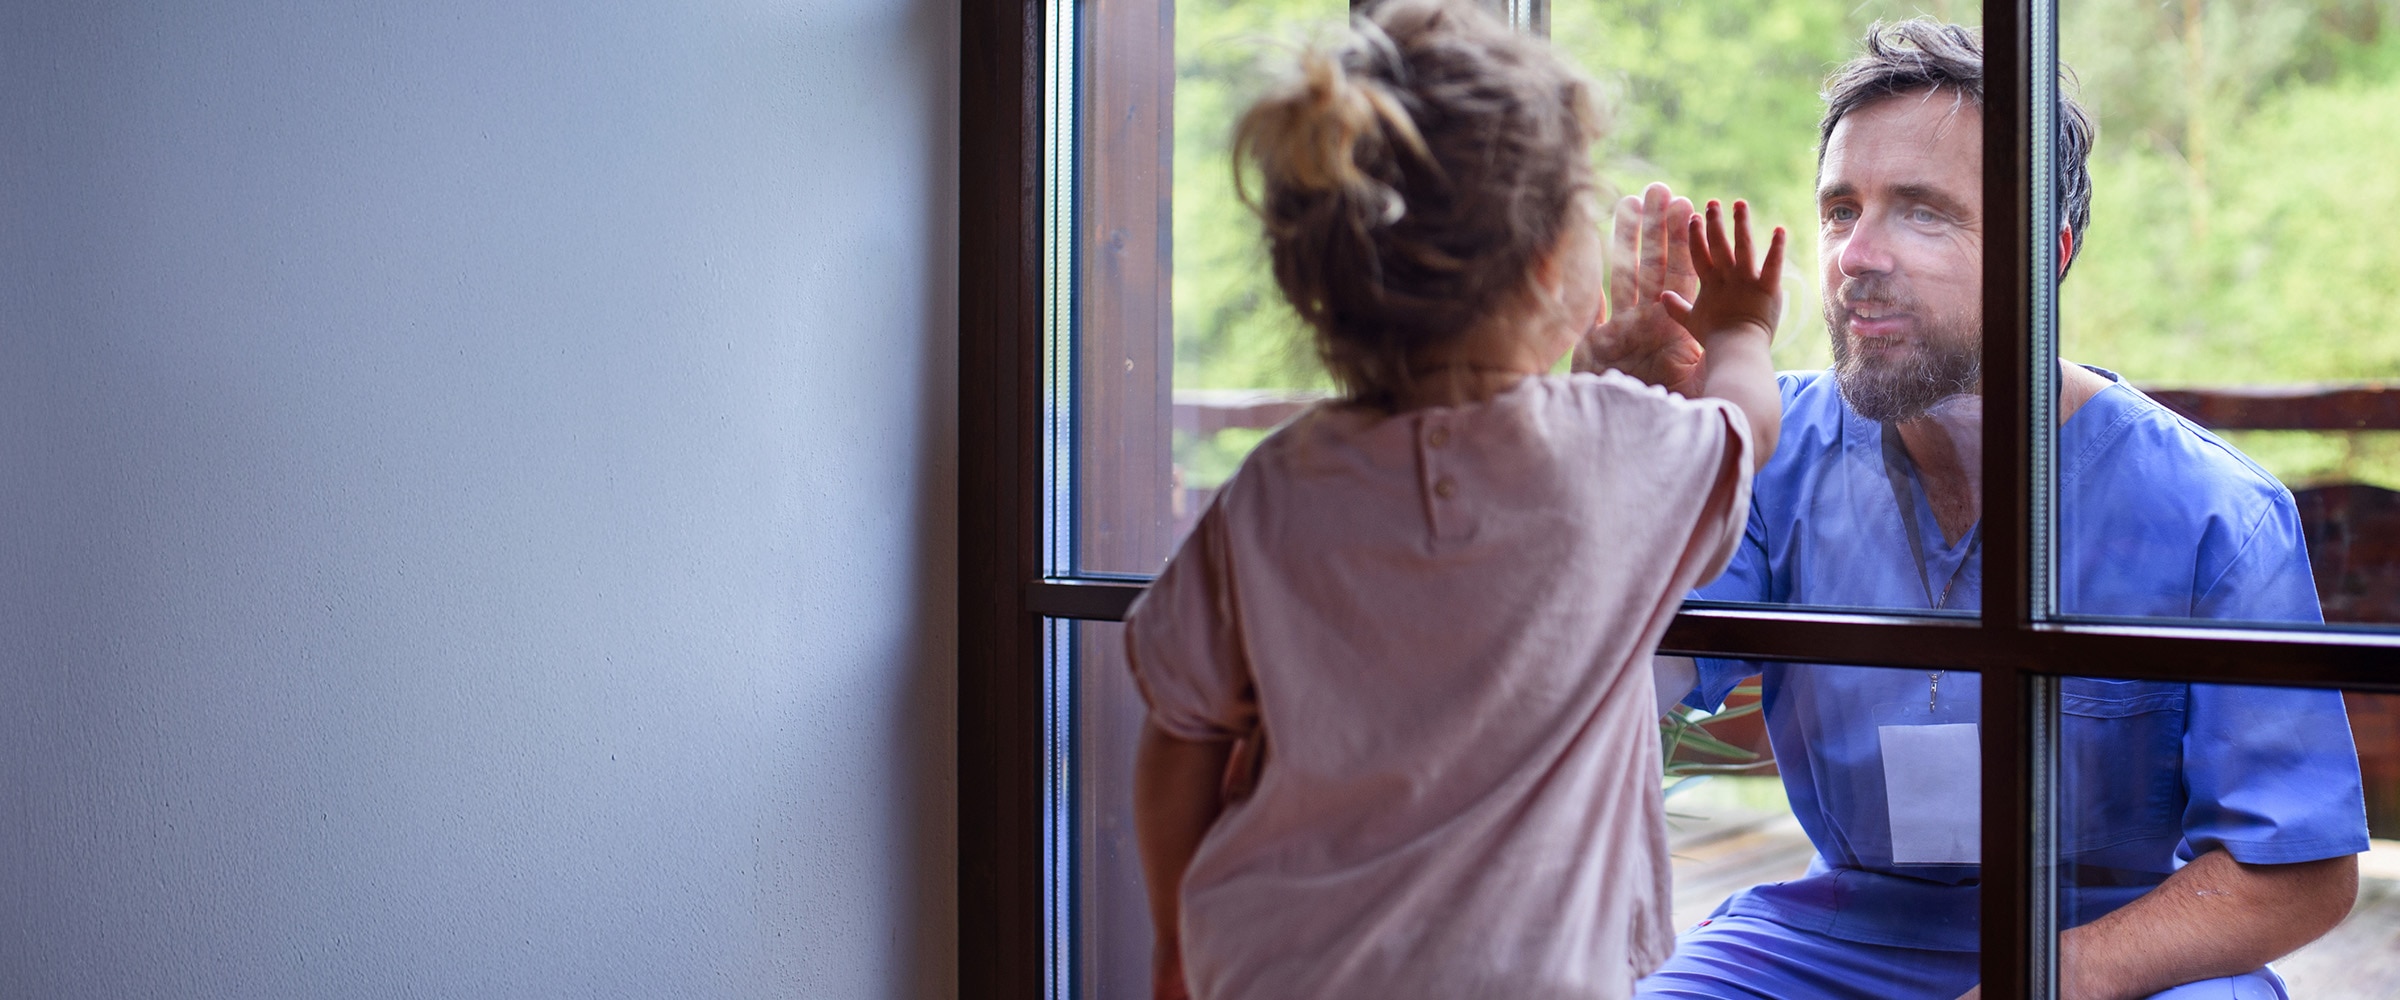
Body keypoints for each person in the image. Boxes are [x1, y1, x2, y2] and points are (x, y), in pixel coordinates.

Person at [1580, 20, 2371, 1000]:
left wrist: (2041, 979)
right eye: (1839, 210)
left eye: (1921, 212)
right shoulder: (1775, 453)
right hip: (1835, 943)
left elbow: (2299, 871)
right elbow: (1611, 687)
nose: (1856, 254)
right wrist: (1625, 430)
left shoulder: (2217, 513)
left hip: (2113, 955)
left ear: (2051, 253)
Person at [1124, 2, 1788, 997]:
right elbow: (1746, 426)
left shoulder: (1273, 486)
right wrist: (1741, 329)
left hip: (1276, 968)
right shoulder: (1613, 455)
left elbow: (1180, 729)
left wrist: (1178, 935)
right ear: (1549, 265)